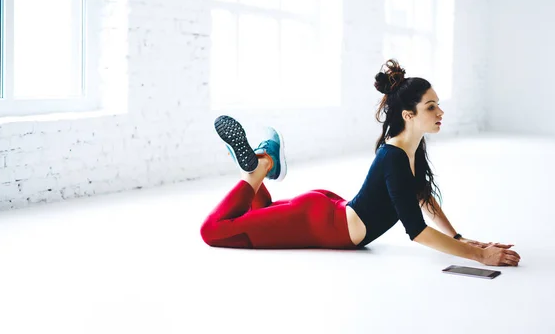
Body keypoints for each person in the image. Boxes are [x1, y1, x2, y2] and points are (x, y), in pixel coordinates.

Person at [200, 59, 521, 267]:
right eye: (431, 107)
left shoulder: (408, 149)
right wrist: (479, 255)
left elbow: (423, 197)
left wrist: (459, 239)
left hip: (327, 214)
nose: (440, 112)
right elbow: (417, 231)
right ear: (409, 115)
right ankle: (256, 171)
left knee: (255, 217)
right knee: (214, 231)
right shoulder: (393, 157)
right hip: (321, 222)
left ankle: (263, 163)